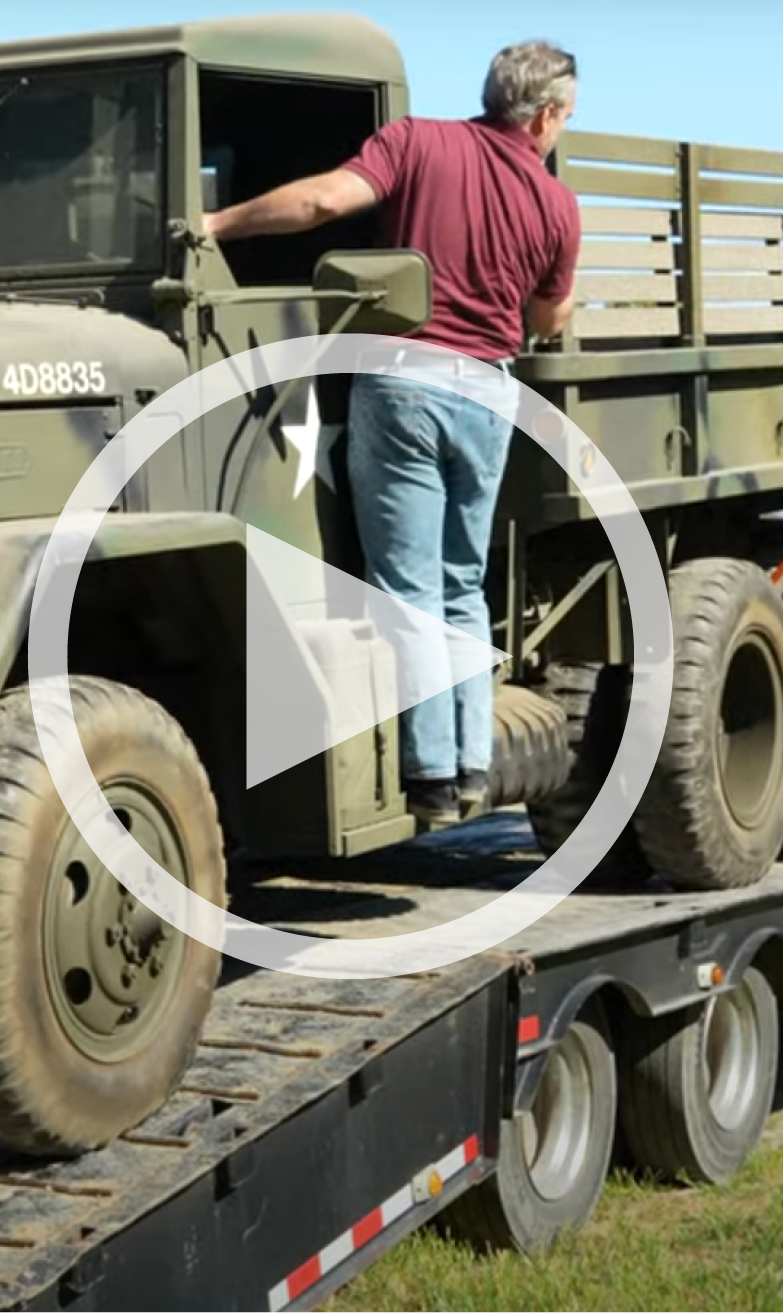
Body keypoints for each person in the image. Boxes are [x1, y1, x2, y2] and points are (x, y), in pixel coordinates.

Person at [203, 40, 583, 826]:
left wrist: (218, 221)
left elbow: (319, 205)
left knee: (408, 591)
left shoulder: (419, 141)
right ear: (544, 115)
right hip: (487, 391)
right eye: (564, 119)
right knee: (461, 587)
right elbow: (547, 318)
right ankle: (474, 768)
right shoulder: (558, 203)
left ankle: (432, 779)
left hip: (404, 383)